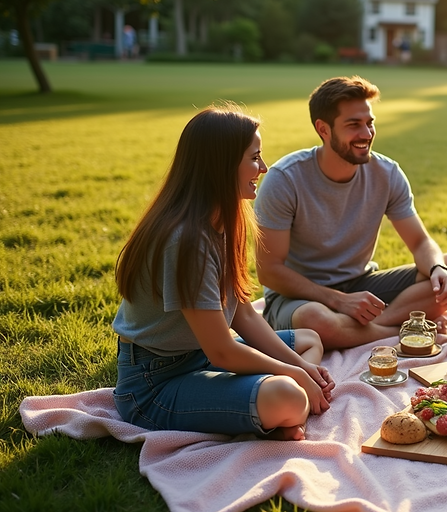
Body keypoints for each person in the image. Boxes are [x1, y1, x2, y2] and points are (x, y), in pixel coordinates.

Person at [112, 105, 335, 441]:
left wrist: (301, 368)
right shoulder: (186, 240)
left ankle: (279, 413)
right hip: (153, 383)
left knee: (308, 340)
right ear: (222, 165)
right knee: (289, 395)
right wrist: (294, 376)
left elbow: (243, 314)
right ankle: (282, 411)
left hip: (199, 357)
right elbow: (222, 351)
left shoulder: (224, 221)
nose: (263, 167)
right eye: (254, 157)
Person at [254, 76, 447, 349]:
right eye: (353, 125)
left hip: (362, 284)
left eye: (369, 123)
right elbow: (270, 271)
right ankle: (396, 329)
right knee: (316, 319)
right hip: (299, 297)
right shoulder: (284, 179)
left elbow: (419, 242)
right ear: (323, 129)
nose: (367, 134)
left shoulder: (387, 173)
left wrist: (438, 268)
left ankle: (375, 326)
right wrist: (337, 300)